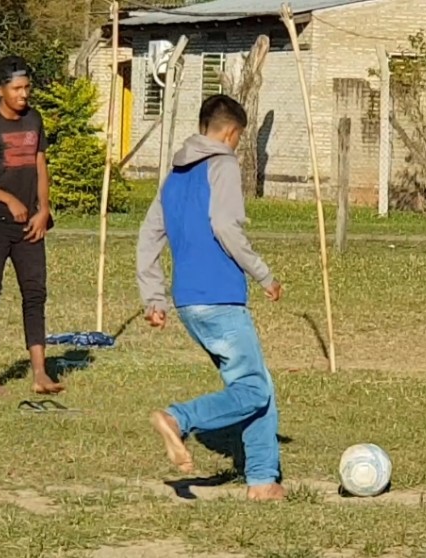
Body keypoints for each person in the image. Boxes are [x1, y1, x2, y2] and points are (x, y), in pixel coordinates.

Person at [136, 94, 286, 502]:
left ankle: (263, 480)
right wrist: (263, 274)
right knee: (254, 389)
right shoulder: (224, 164)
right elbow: (225, 226)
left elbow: (149, 236)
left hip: (188, 302)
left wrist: (154, 299)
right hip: (220, 296)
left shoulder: (175, 175)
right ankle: (178, 419)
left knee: (254, 385)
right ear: (232, 133)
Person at [0, 55, 64, 396]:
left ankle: (40, 374)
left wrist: (43, 209)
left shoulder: (34, 119)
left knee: (35, 294)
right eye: (17, 88)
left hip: (30, 225)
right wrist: (7, 198)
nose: (23, 94)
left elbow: (40, 165)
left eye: (27, 87)